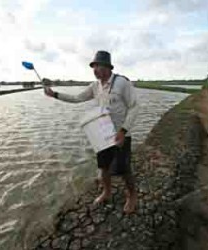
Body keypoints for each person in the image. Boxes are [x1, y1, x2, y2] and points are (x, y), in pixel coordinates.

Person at [44, 50, 139, 214]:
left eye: (98, 66)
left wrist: (124, 130)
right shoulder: (95, 86)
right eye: (93, 66)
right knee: (103, 167)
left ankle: (132, 196)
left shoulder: (122, 83)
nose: (94, 70)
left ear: (108, 67)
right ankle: (106, 192)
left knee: (124, 170)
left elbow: (134, 107)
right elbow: (77, 99)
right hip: (102, 135)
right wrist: (55, 94)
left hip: (121, 135)